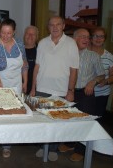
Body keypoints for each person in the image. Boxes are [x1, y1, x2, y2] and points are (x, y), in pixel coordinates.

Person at [30, 16, 79, 161]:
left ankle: (53, 149)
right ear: (48, 27)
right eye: (51, 25)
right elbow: (37, 66)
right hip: (42, 89)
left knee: (57, 122)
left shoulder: (71, 43)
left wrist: (71, 91)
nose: (55, 27)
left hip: (62, 91)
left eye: (58, 24)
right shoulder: (43, 43)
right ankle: (42, 147)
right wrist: (33, 88)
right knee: (43, 120)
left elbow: (74, 70)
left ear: (63, 26)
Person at [58, 28, 105, 162]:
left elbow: (102, 75)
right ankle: (70, 143)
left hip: (86, 93)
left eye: (87, 37)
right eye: (82, 37)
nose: (86, 39)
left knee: (84, 122)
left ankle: (81, 149)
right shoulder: (65, 54)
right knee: (68, 119)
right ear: (74, 39)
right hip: (67, 92)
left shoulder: (93, 56)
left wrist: (93, 81)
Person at [0, 18, 28, 158]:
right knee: (2, 116)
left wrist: (25, 82)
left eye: (9, 33)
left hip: (17, 84)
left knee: (15, 115)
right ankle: (5, 145)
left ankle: (11, 141)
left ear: (14, 32)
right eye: (3, 33)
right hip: (1, 84)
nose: (5, 36)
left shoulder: (19, 43)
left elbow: (24, 65)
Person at [89, 27, 113, 118]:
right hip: (84, 94)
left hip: (101, 95)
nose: (98, 39)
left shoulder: (109, 57)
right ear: (91, 37)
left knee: (97, 120)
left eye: (101, 36)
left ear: (104, 39)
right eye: (96, 36)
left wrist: (106, 81)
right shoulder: (83, 53)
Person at [23, 25, 39, 95]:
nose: (30, 36)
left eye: (33, 34)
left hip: (35, 89)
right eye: (28, 33)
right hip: (19, 87)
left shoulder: (40, 51)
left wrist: (34, 89)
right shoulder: (17, 50)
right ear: (24, 36)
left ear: (37, 37)